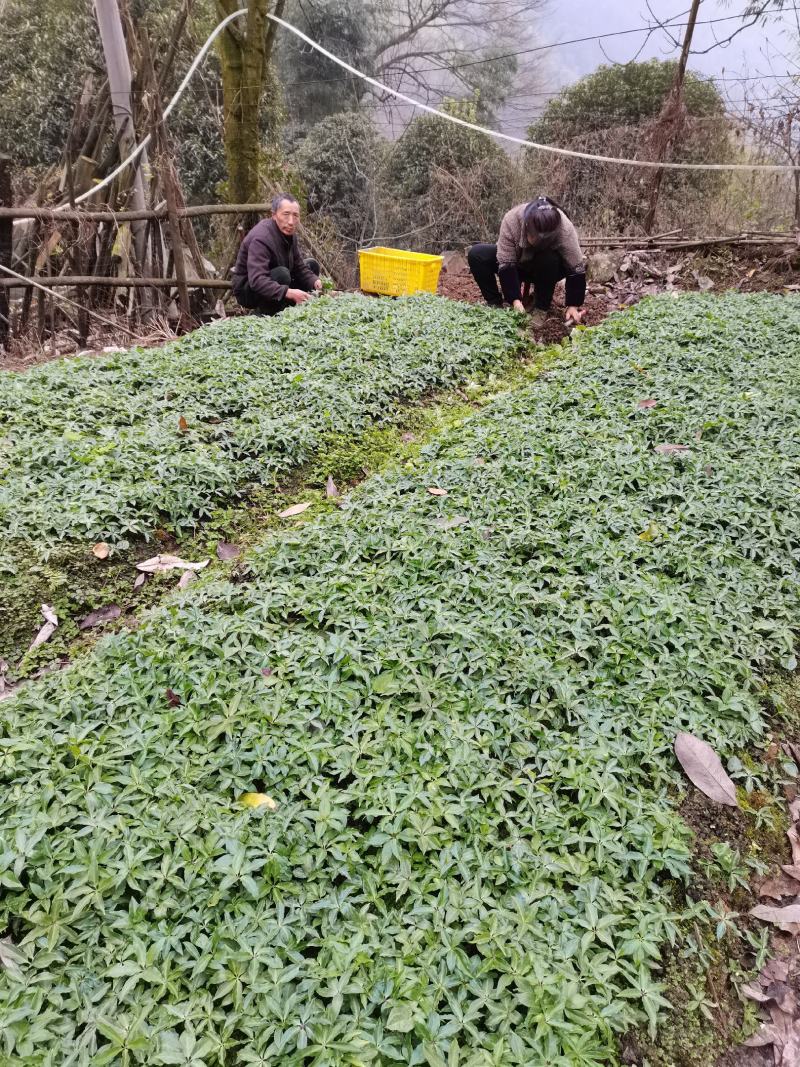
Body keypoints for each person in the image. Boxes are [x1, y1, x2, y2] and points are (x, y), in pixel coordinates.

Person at [467, 196, 586, 327]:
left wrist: (573, 305)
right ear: (527, 227)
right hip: (517, 264)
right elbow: (506, 264)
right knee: (477, 254)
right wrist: (515, 301)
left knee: (548, 257)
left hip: (548, 270)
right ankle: (495, 303)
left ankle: (541, 308)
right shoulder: (512, 220)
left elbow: (577, 267)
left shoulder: (564, 227)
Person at [231, 193, 322, 315]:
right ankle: (261, 314)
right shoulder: (262, 238)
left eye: (295, 216)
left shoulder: (290, 235)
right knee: (282, 275)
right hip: (249, 290)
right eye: (286, 214)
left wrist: (314, 281)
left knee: (311, 265)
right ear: (274, 215)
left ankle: (287, 305)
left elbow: (299, 266)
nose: (291, 221)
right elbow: (257, 280)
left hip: (273, 280)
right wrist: (288, 292)